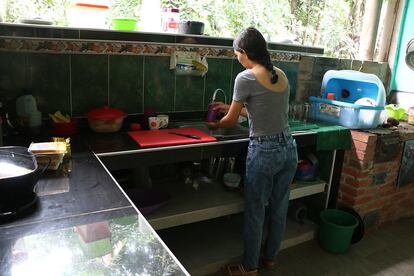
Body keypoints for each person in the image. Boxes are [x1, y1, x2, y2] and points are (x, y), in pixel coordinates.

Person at [207, 27, 298, 275]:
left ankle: (249, 267)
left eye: (237, 55)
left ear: (244, 52)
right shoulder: (279, 74)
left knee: (256, 211)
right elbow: (262, 110)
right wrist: (231, 105)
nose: (238, 60)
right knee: (279, 207)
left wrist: (213, 123)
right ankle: (269, 259)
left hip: (264, 151)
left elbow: (228, 121)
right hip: (289, 148)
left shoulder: (245, 77)